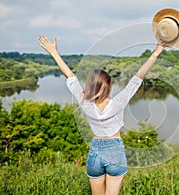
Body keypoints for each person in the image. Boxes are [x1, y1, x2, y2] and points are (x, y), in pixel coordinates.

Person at [38, 35, 165, 195]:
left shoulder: (84, 102)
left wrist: (54, 52)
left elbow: (70, 76)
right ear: (109, 87)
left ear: (90, 86)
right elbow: (137, 78)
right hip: (115, 151)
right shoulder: (118, 103)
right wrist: (156, 53)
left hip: (95, 152)